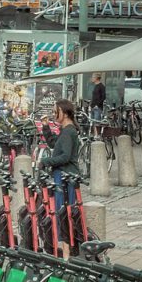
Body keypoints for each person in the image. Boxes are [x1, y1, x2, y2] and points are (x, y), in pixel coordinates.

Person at [39, 99, 81, 256]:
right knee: (61, 213)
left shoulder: (69, 132)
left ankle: (66, 253)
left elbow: (65, 156)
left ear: (64, 113)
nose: (53, 114)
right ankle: (65, 250)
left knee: (63, 214)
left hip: (65, 177)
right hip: (62, 175)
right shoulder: (65, 130)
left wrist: (45, 161)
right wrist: (46, 127)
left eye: (56, 111)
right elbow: (54, 144)